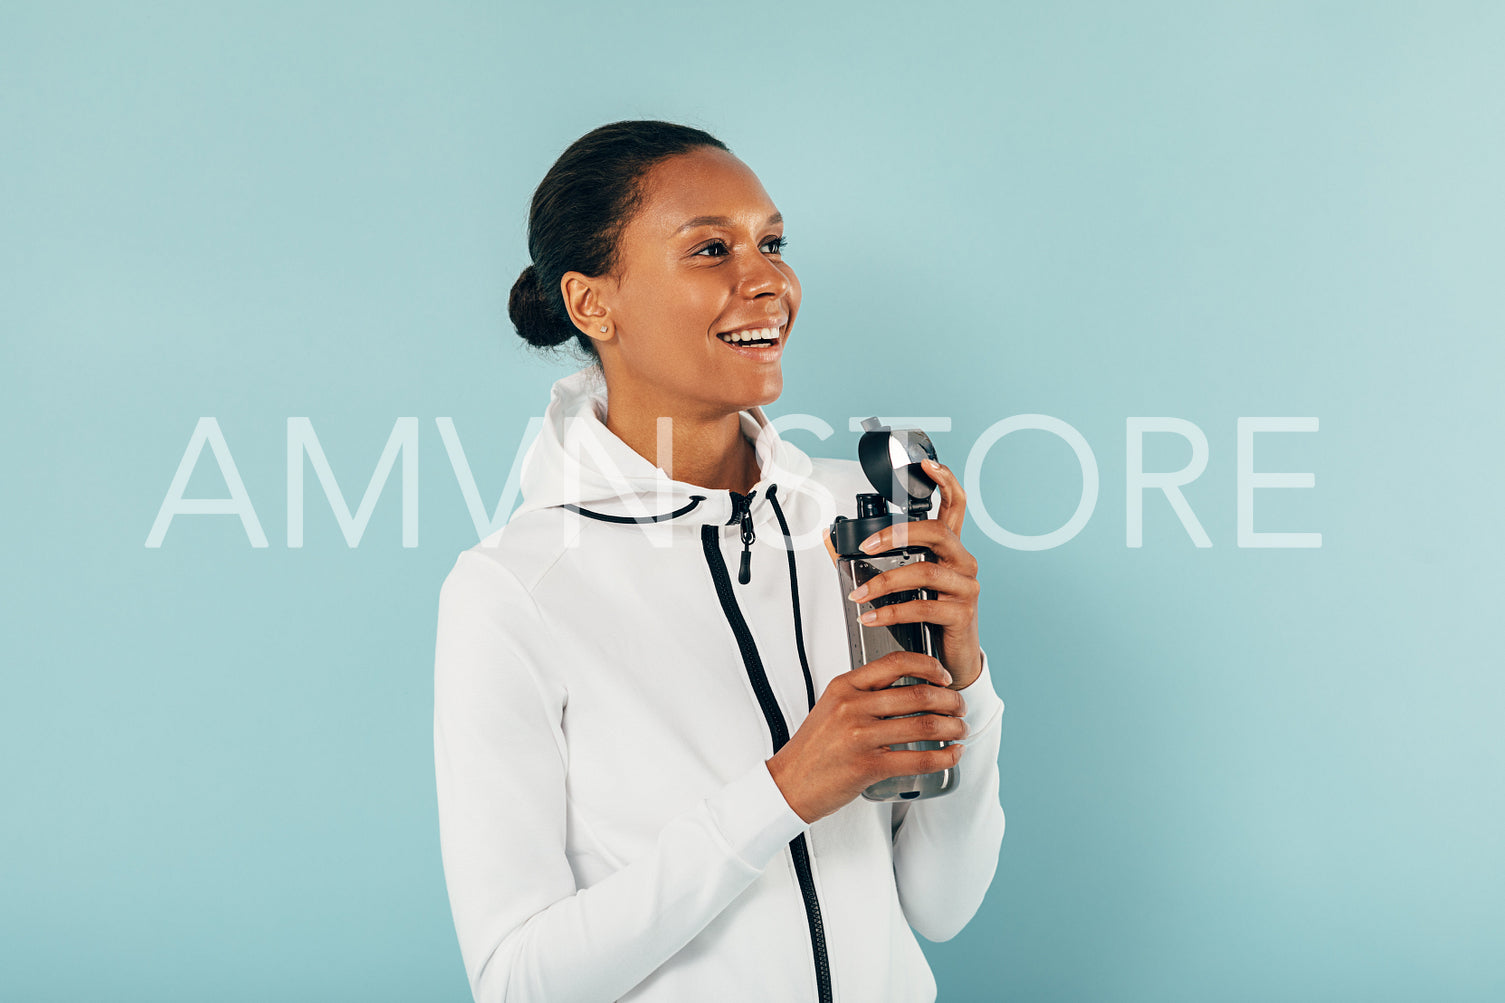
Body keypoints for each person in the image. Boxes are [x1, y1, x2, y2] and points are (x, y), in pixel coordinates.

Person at [433, 120, 1005, 1003]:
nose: (768, 280)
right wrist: (780, 793)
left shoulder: (848, 523)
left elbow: (941, 904)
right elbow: (519, 980)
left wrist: (964, 679)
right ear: (592, 304)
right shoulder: (515, 588)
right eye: (710, 249)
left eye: (771, 243)